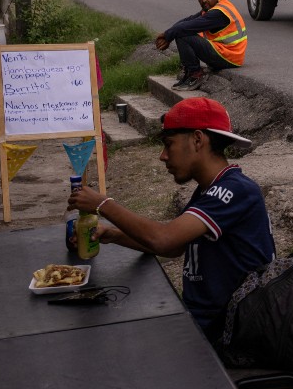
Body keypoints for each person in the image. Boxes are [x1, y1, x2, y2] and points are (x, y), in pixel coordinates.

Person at [68, 97, 275, 339]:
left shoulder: (235, 190)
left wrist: (102, 204)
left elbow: (164, 239)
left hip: (230, 331)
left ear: (198, 140)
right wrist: (113, 235)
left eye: (169, 144)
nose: (163, 156)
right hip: (209, 321)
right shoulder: (209, 189)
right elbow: (176, 246)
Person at [157, 0, 248, 91]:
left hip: (229, 57)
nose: (203, 0)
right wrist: (168, 32)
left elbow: (185, 27)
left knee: (183, 35)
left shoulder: (218, 13)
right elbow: (187, 21)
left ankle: (195, 74)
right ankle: (190, 72)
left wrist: (167, 36)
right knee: (181, 30)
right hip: (226, 53)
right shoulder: (213, 8)